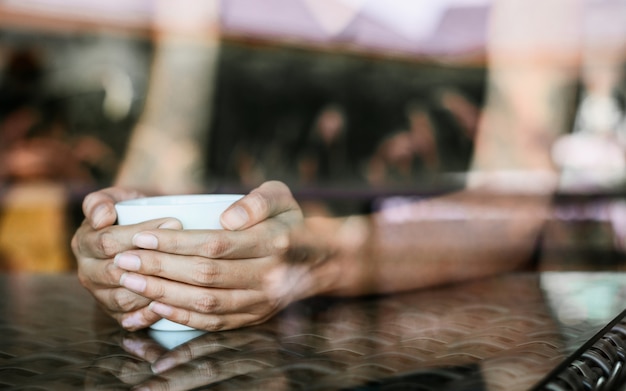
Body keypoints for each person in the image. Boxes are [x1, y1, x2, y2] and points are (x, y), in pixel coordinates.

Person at [72, 0, 623, 332]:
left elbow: (511, 204)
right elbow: (169, 146)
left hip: (443, 332)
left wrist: (318, 260)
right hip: (238, 334)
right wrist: (122, 230)